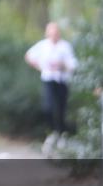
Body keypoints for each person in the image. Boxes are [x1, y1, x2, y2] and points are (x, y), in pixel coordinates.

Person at [24, 21, 78, 154]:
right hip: (48, 80)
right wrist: (39, 66)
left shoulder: (65, 46)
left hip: (62, 80)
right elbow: (29, 56)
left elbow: (73, 64)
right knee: (48, 107)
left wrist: (62, 65)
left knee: (61, 108)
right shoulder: (43, 45)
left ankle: (61, 134)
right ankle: (53, 132)